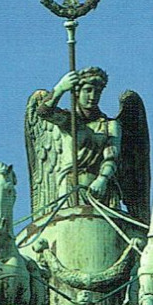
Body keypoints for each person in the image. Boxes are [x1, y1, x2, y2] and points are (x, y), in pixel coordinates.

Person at [37, 67, 122, 206]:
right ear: (77, 92)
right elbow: (44, 112)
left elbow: (111, 157)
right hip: (71, 189)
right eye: (88, 90)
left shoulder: (110, 125)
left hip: (102, 192)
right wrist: (60, 88)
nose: (93, 96)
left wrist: (102, 180)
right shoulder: (69, 121)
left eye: (98, 91)